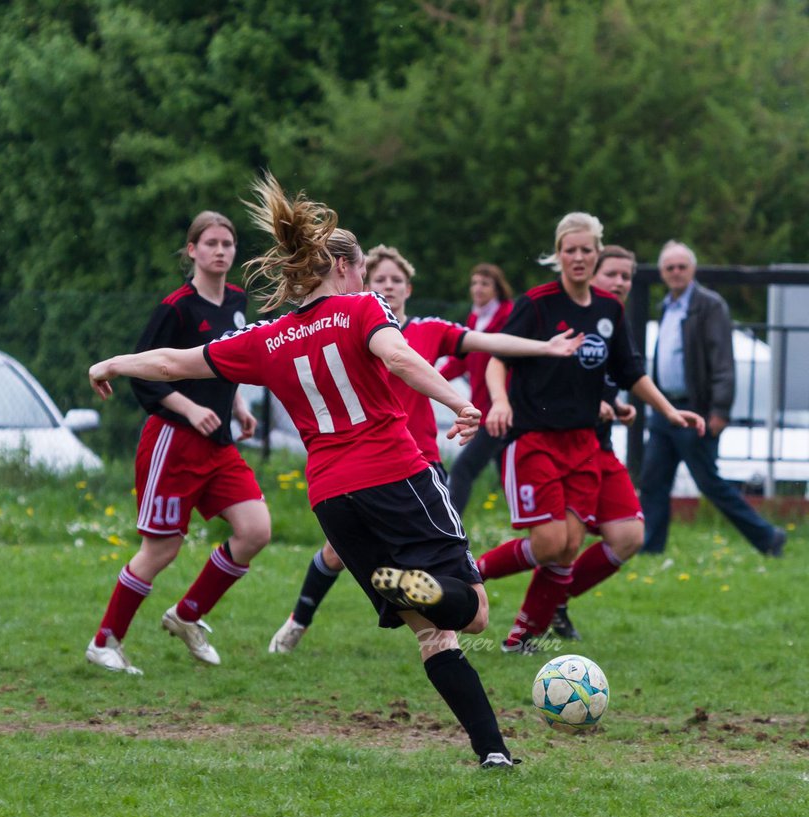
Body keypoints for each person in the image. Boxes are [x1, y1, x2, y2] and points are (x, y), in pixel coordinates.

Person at [90, 174, 517, 768]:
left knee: (430, 633)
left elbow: (173, 362)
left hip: (333, 496)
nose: (367, 279)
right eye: (363, 268)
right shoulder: (361, 310)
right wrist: (458, 401)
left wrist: (112, 361)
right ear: (342, 269)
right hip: (396, 473)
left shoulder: (266, 339)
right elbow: (398, 356)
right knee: (471, 611)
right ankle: (423, 596)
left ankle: (492, 753)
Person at [268, 244, 582, 654]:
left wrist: (544, 348)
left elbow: (485, 341)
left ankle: (442, 637)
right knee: (336, 553)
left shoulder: (426, 330)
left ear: (409, 288)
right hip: (361, 466)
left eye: (396, 281)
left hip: (420, 465)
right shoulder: (345, 327)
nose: (389, 287)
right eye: (380, 279)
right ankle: (298, 622)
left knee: (432, 559)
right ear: (359, 280)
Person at [476, 216, 704, 653]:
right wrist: (500, 402)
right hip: (535, 437)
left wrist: (669, 410)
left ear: (597, 252)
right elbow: (496, 356)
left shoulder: (609, 310)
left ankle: (521, 639)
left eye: (586, 250)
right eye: (570, 250)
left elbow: (630, 372)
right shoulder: (537, 304)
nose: (578, 258)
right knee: (549, 543)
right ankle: (470, 572)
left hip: (583, 443)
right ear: (558, 253)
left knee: (570, 546)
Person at [84, 211, 270, 676]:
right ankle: (104, 642)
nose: (221, 250)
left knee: (255, 530)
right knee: (162, 549)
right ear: (192, 250)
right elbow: (148, 375)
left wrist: (240, 406)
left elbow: (223, 363)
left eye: (228, 243)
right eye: (210, 243)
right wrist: (189, 410)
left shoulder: (237, 301)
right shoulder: (176, 308)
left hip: (217, 443)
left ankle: (187, 615)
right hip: (174, 441)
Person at [639, 240, 787, 557]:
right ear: (662, 273)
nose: (676, 273)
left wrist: (719, 410)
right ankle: (650, 548)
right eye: (669, 268)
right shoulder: (667, 305)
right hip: (666, 409)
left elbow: (723, 362)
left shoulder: (709, 304)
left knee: (710, 484)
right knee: (653, 480)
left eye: (682, 267)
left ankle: (768, 536)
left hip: (696, 410)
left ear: (692, 270)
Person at [441, 264, 515, 514]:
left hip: (500, 411)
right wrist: (427, 376)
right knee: (509, 475)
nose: (478, 289)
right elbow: (461, 359)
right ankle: (536, 526)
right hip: (482, 407)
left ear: (497, 288)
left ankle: (450, 532)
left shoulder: (507, 315)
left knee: (463, 469)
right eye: (474, 283)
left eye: (485, 283)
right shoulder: (475, 318)